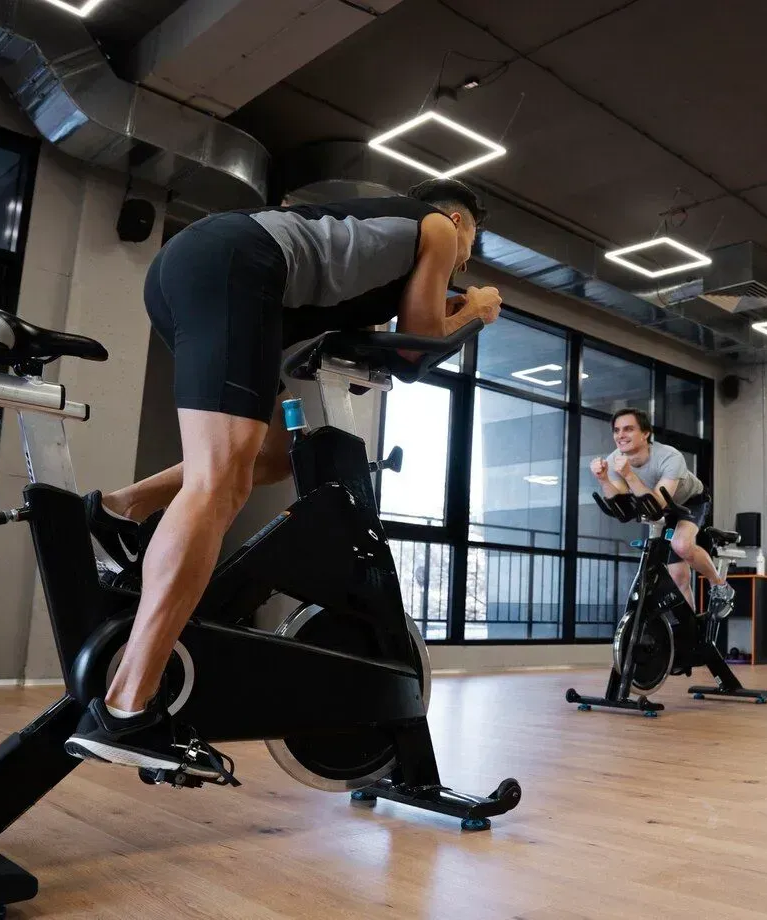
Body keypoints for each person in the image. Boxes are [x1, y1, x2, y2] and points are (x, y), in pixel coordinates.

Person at [64, 179, 503, 779]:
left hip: (204, 273)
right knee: (220, 483)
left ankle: (118, 509)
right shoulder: (436, 225)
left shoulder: (373, 253)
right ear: (458, 218)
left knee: (266, 457)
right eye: (469, 243)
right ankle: (125, 707)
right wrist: (474, 310)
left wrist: (441, 322)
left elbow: (392, 351)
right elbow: (419, 346)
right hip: (235, 266)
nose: (464, 258)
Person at [590, 407, 733, 616]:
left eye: (628, 429)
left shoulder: (669, 456)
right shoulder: (614, 460)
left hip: (689, 502)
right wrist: (603, 479)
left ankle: (719, 585)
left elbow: (657, 504)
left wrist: (629, 475)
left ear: (645, 433)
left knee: (681, 545)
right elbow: (622, 503)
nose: (620, 435)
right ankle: (688, 631)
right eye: (617, 430)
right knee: (677, 576)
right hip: (663, 508)